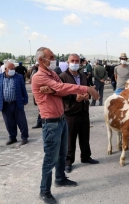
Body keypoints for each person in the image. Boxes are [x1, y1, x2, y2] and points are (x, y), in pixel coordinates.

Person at [32, 47, 99, 204]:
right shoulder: (39, 76)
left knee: (62, 153)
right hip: (51, 122)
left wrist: (53, 90)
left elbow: (60, 90)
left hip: (61, 119)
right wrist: (87, 88)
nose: (54, 59)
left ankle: (60, 178)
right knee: (50, 157)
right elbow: (62, 88)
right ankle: (45, 191)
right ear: (42, 60)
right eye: (51, 56)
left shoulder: (53, 74)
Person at [59, 53, 99, 174]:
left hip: (83, 110)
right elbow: (60, 93)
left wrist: (87, 95)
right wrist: (74, 97)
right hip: (70, 112)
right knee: (70, 139)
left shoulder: (83, 76)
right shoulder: (62, 77)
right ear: (68, 62)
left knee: (85, 136)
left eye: (77, 61)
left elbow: (87, 88)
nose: (75, 63)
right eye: (73, 61)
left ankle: (86, 157)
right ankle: (68, 161)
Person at [0, 62, 29, 145]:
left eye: (14, 69)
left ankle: (24, 137)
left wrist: (25, 99)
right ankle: (12, 137)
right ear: (5, 69)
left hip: (17, 103)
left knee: (22, 121)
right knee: (9, 122)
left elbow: (23, 89)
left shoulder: (18, 77)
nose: (13, 70)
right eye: (11, 69)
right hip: (5, 104)